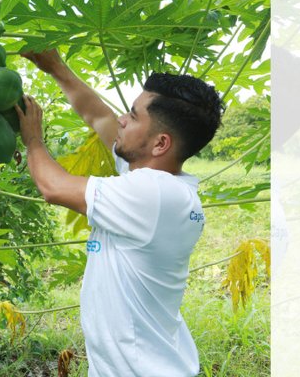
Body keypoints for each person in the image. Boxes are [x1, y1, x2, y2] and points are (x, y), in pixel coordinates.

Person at [17, 49, 222, 376]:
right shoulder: (165, 185)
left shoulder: (152, 194)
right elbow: (99, 118)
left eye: (133, 115)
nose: (121, 120)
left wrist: (32, 138)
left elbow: (53, 187)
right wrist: (54, 66)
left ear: (160, 144)